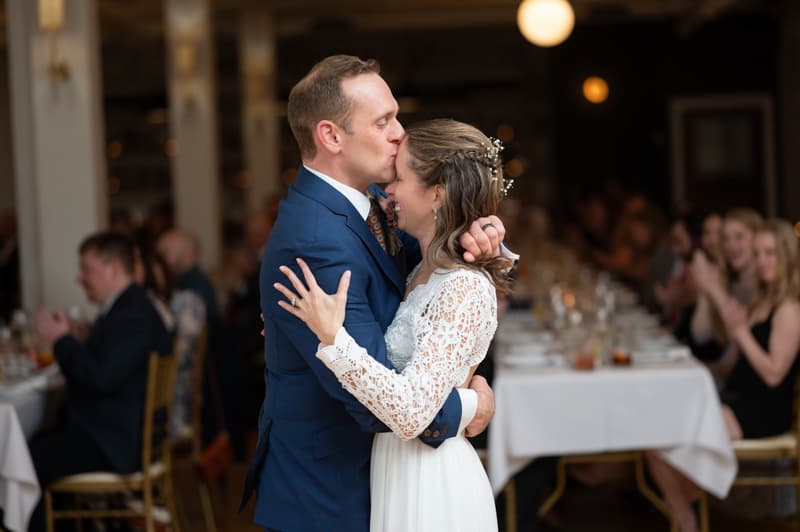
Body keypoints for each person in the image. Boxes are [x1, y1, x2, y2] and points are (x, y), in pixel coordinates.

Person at [240, 55, 505, 532]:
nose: (399, 133)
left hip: (384, 481)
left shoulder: (370, 208)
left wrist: (481, 234)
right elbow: (374, 405)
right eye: (383, 121)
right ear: (331, 136)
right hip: (330, 494)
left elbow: (436, 266)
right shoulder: (316, 239)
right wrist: (472, 403)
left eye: (396, 116)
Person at [646, 218, 800, 532]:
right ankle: (687, 512)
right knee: (654, 430)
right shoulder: (762, 300)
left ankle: (686, 518)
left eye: (770, 253)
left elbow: (773, 374)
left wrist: (741, 333)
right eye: (757, 254)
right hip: (737, 397)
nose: (762, 261)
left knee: (660, 436)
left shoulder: (789, 308)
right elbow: (733, 364)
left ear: (787, 257)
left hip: (762, 412)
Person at [29, 231, 172, 532]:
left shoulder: (132, 314)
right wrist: (81, 339)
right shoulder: (128, 307)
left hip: (115, 443)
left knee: (24, 460)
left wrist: (61, 340)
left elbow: (100, 378)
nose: (79, 278)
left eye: (86, 269)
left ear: (114, 269)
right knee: (31, 446)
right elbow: (108, 364)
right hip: (115, 433)